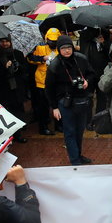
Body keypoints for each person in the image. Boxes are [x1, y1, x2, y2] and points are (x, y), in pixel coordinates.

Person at [45, 35, 95, 166]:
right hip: (65, 102)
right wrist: (54, 107)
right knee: (70, 132)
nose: (67, 50)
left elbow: (91, 73)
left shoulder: (81, 59)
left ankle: (78, 155)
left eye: (69, 47)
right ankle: (75, 160)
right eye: (63, 48)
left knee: (80, 131)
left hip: (82, 100)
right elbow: (49, 88)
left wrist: (87, 81)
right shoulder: (54, 65)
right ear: (59, 50)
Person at [0, 37, 29, 143]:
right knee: (11, 110)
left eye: (7, 41)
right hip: (6, 88)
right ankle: (16, 134)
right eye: (2, 41)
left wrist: (18, 66)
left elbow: (25, 69)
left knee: (20, 107)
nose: (5, 43)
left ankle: (20, 126)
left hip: (18, 86)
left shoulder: (17, 53)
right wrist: (4, 67)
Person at [27, 28, 61, 135]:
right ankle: (43, 127)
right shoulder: (40, 48)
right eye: (51, 40)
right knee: (43, 107)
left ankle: (59, 125)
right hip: (42, 82)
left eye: (55, 41)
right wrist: (43, 58)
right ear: (47, 39)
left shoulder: (60, 49)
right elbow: (30, 58)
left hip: (57, 82)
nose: (53, 43)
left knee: (58, 105)